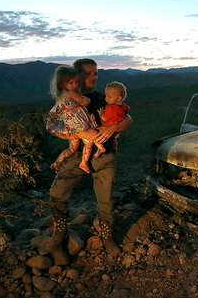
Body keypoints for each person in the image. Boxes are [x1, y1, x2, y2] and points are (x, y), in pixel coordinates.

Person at [45, 58, 133, 257]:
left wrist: (113, 128)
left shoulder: (102, 98)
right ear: (75, 76)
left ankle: (107, 236)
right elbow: (53, 126)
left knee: (105, 197)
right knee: (57, 193)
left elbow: (128, 118)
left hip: (104, 152)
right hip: (78, 154)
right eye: (89, 73)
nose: (94, 77)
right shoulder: (66, 100)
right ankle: (59, 235)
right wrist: (74, 135)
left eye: (96, 74)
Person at [46, 66, 106, 174]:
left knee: (72, 148)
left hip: (70, 126)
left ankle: (57, 162)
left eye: (77, 82)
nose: (75, 85)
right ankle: (84, 162)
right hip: (78, 123)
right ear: (62, 84)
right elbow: (84, 102)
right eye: (71, 83)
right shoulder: (70, 93)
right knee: (88, 142)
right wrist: (86, 98)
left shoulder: (61, 95)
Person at [98, 81, 130, 151]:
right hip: (118, 128)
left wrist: (101, 114)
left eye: (109, 97)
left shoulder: (111, 108)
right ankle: (115, 148)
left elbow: (105, 118)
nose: (106, 98)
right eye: (106, 95)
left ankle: (99, 150)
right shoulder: (122, 105)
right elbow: (128, 109)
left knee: (100, 139)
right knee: (114, 140)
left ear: (118, 98)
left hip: (108, 128)